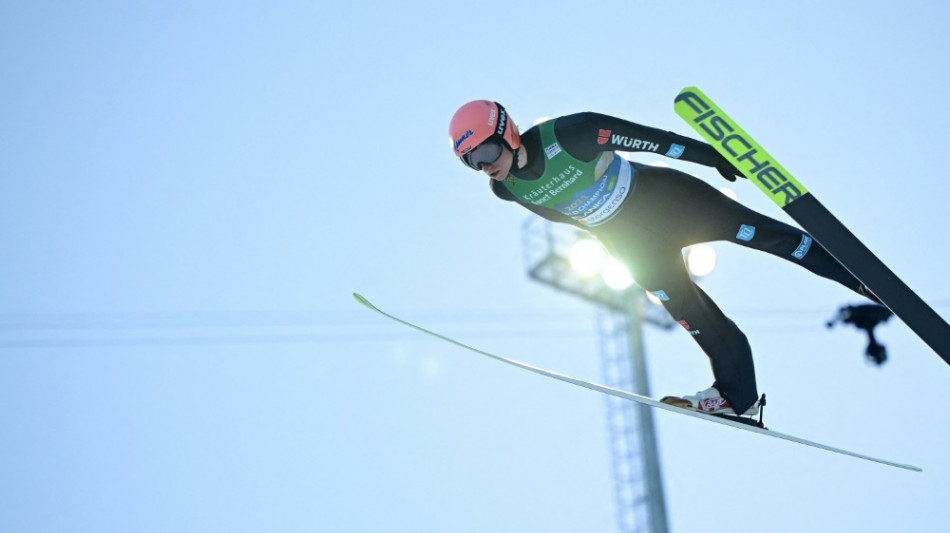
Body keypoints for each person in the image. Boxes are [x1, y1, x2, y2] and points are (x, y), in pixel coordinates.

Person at [448, 100, 879, 417]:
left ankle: (860, 279)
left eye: (486, 153)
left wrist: (713, 156)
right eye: (471, 162)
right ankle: (737, 397)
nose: (484, 167)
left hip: (665, 201)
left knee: (762, 235)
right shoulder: (506, 190)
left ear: (507, 132)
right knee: (691, 314)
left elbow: (655, 141)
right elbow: (566, 215)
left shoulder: (573, 133)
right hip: (629, 243)